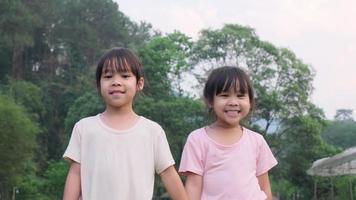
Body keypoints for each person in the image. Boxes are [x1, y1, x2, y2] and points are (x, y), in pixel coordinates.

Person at [63, 47, 188, 200]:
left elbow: (168, 174)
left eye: (125, 76)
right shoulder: (84, 128)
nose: (116, 82)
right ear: (98, 84)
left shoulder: (152, 131)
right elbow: (75, 173)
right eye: (108, 76)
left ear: (139, 83)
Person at [179, 66, 278, 200]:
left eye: (240, 96)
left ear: (250, 101)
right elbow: (194, 187)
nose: (233, 102)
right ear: (210, 101)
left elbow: (265, 188)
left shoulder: (257, 141)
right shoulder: (197, 139)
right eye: (225, 95)